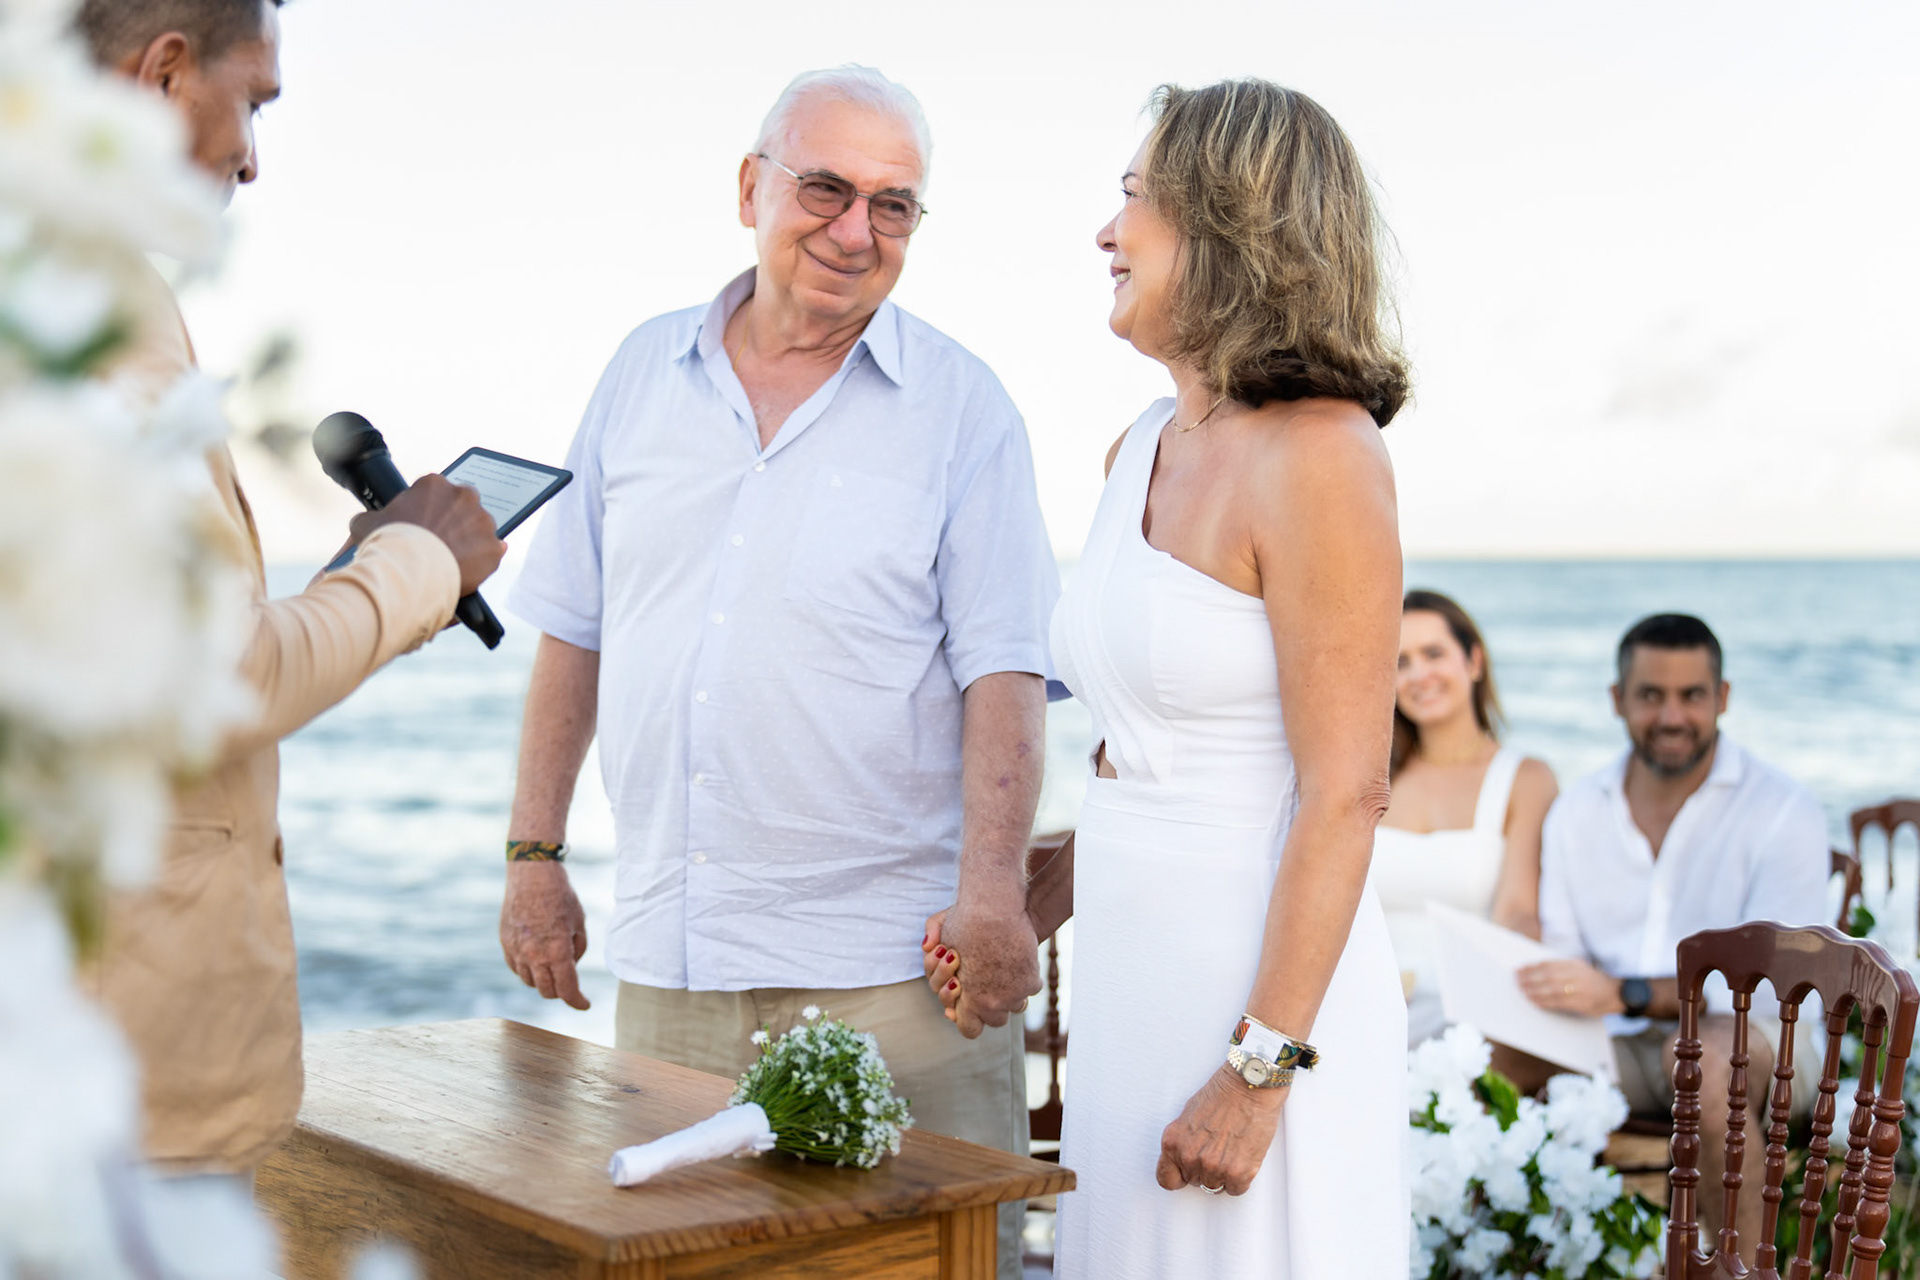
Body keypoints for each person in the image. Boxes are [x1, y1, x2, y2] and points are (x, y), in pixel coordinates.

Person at [498, 67, 1058, 1278]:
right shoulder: (640, 373)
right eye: (825, 188)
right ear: (751, 187)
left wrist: (994, 897)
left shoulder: (965, 410)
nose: (856, 231)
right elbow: (574, 630)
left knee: (932, 1263)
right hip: (673, 965)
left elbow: (1005, 674)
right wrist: (534, 855)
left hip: (899, 979)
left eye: (894, 205)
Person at [928, 78, 1411, 1277]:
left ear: (1232, 222)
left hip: (1262, 999)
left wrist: (1257, 1074)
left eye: (1135, 197)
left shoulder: (1323, 455)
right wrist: (1032, 902)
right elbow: (1149, 755)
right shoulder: (1136, 444)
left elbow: (1345, 790)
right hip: (1137, 979)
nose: (1106, 230)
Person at [75, 0, 508, 1175]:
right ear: (166, 75)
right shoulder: (92, 311)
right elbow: (228, 679)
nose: (252, 159)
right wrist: (417, 561)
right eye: (252, 101)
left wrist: (362, 581)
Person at [1518, 612, 1828, 1249]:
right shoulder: (1577, 811)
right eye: (1650, 695)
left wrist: (1628, 991)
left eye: (1691, 695)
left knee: (1709, 1059)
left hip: (1763, 1042)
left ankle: (1738, 1269)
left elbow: (1779, 991)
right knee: (1481, 1055)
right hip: (1612, 1046)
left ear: (1723, 699)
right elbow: (1564, 955)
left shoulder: (1781, 808)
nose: (1671, 716)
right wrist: (1577, 996)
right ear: (1617, 700)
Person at [1374, 589, 1556, 1045]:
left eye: (1433, 653)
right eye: (1400, 662)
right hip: (1368, 1002)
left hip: (1469, 1022)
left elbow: (1519, 915)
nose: (1419, 675)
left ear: (1474, 661)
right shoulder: (1369, 777)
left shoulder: (1524, 778)